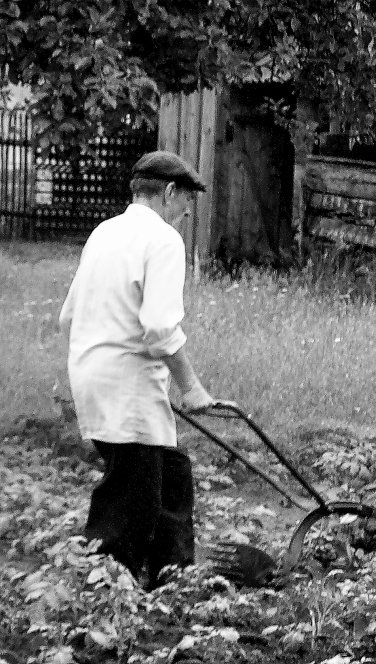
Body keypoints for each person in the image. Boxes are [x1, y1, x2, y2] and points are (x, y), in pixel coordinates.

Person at [59, 150, 233, 588]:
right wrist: (190, 387)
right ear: (169, 193)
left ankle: (171, 577)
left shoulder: (104, 232)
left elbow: (68, 316)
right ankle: (103, 586)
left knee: (172, 477)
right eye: (187, 199)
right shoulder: (163, 240)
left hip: (91, 371)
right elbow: (158, 327)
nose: (188, 210)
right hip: (126, 384)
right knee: (130, 498)